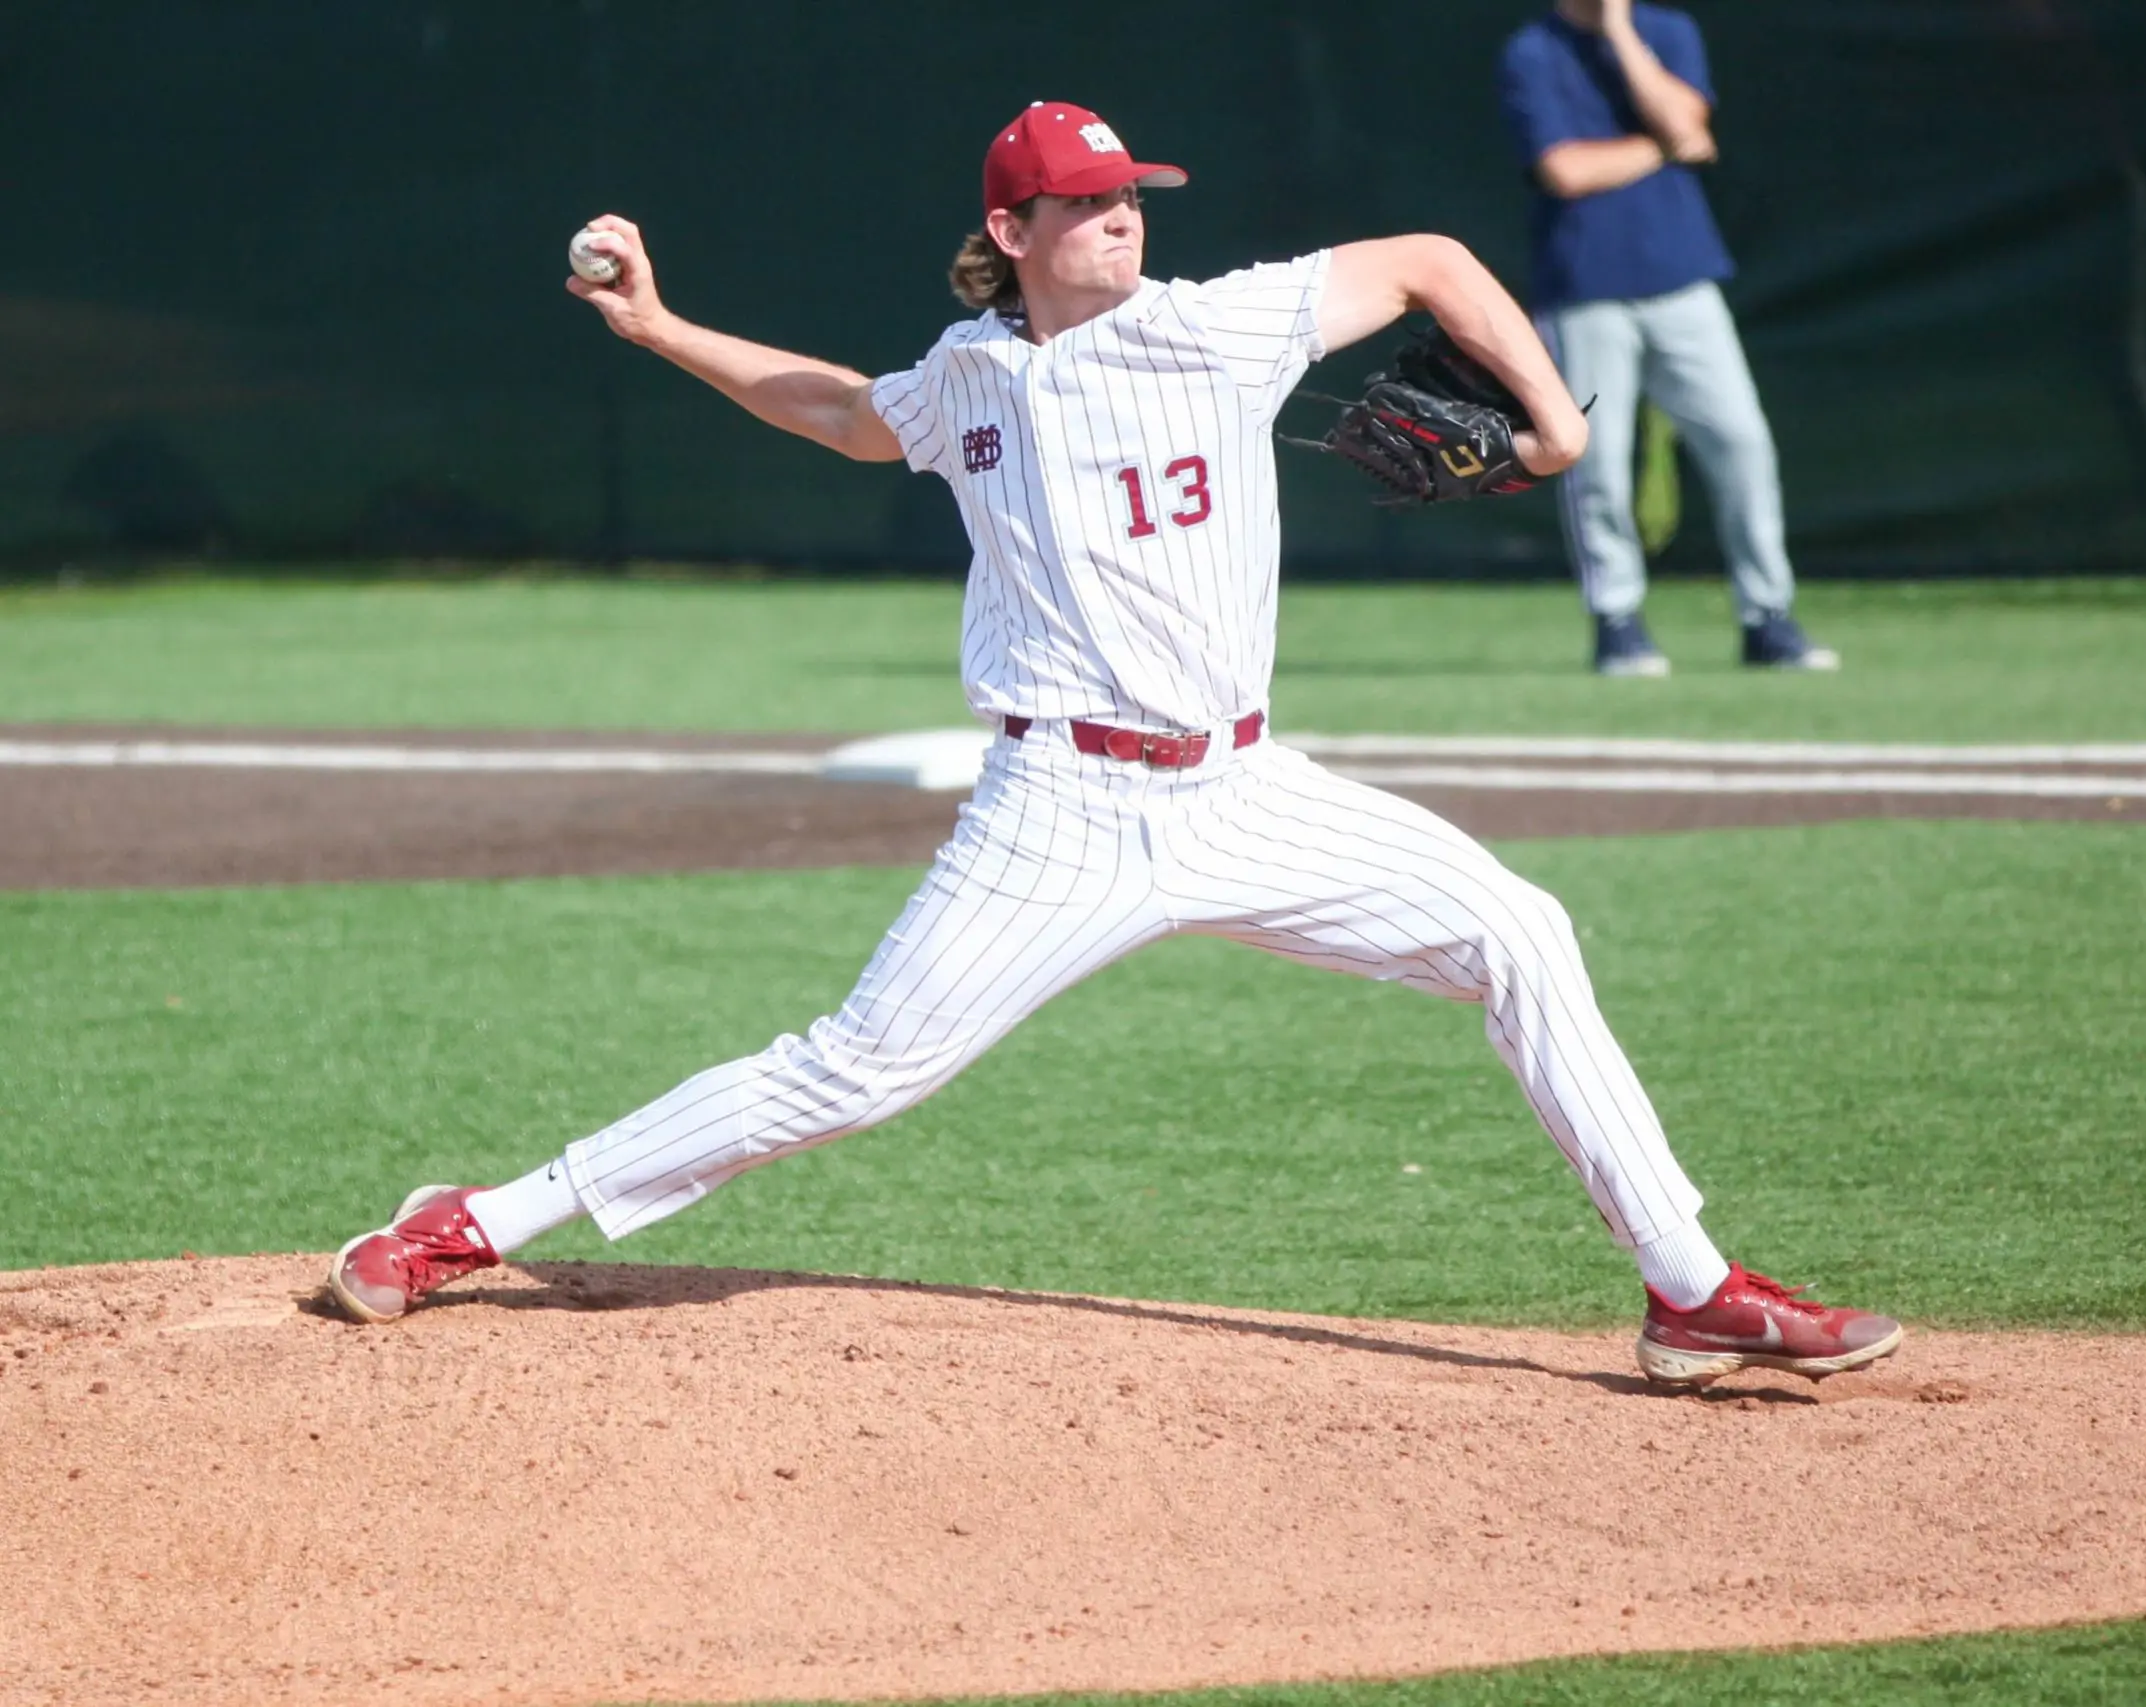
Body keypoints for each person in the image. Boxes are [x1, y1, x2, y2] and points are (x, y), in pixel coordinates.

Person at [324, 100, 1899, 1389]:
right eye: (1084, 202)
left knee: (1521, 931)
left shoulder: (1221, 324)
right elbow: (843, 414)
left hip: (1245, 788)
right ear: (1011, 234)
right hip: (1057, 808)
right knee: (855, 1071)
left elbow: (1429, 258)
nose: (1122, 215)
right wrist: (661, 329)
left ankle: (1690, 1290)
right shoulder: (968, 375)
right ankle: (480, 1216)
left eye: (1129, 192)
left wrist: (1552, 422)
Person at [1501, 0, 1838, 677]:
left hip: (1684, 280)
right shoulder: (1531, 51)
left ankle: (1767, 618)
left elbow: (1689, 120)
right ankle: (1618, 621)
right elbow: (1567, 170)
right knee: (1594, 462)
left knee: (1741, 440)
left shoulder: (1667, 31)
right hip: (1583, 290)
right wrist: (1664, 146)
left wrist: (1623, 35)